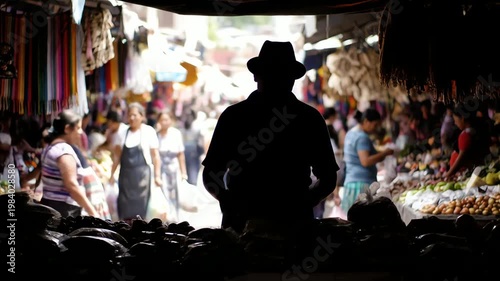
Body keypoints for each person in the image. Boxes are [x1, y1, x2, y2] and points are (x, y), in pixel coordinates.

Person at [202, 41, 338, 234]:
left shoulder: (234, 116)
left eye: (281, 75)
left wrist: (229, 201)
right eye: (273, 74)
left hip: (249, 225)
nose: (277, 80)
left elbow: (210, 174)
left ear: (256, 75)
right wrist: (302, 203)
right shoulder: (308, 118)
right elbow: (328, 178)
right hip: (288, 226)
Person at [39, 110, 98, 217]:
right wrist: (92, 211)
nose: (80, 132)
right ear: (67, 129)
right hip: (64, 211)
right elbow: (72, 185)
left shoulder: (49, 147)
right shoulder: (63, 151)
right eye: (78, 128)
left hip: (50, 206)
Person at [109, 102, 162, 221]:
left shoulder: (149, 132)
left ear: (142, 116)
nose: (131, 118)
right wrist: (112, 174)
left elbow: (155, 156)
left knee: (141, 209)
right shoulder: (122, 133)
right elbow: (117, 156)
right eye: (129, 115)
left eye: (135, 115)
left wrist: (157, 176)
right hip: (125, 177)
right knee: (124, 207)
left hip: (142, 177)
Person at [342, 108, 394, 214]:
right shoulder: (362, 137)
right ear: (366, 121)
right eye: (375, 125)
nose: (376, 128)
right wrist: (385, 153)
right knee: (365, 221)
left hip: (351, 183)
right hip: (362, 185)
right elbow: (365, 161)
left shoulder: (350, 133)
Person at [156, 110, 189, 221]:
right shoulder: (156, 135)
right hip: (162, 168)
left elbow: (180, 154)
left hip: (175, 167)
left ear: (170, 121)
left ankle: (177, 217)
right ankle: (168, 218)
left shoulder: (176, 133)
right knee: (164, 192)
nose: (164, 122)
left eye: (166, 119)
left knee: (177, 193)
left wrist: (184, 172)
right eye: (162, 120)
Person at [444, 104, 490, 178]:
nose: (455, 123)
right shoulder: (475, 131)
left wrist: (448, 174)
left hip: (466, 174)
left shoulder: (465, 135)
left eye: (456, 120)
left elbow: (461, 159)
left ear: (462, 118)